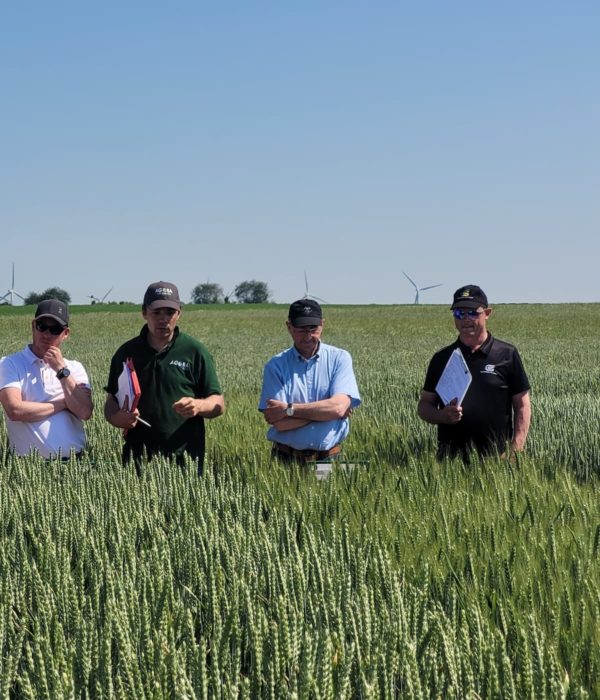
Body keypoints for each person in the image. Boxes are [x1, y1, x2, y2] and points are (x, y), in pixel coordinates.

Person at [104, 281, 224, 471]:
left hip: (186, 459)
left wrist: (198, 405)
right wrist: (117, 418)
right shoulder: (126, 352)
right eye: (156, 312)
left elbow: (218, 403)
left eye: (169, 312)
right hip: (138, 460)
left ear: (179, 314)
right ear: (144, 313)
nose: (163, 319)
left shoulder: (194, 351)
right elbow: (111, 401)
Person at [417, 284, 531, 460]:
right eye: (459, 314)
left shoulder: (507, 354)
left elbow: (522, 404)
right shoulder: (442, 358)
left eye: (472, 313)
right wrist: (442, 415)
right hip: (450, 462)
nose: (465, 319)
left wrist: (516, 448)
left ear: (487, 313)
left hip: (498, 460)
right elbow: (424, 405)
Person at [259, 299, 361, 463]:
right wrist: (327, 413)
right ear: (289, 327)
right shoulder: (275, 366)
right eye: (301, 330)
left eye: (313, 329)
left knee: (330, 489)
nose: (308, 336)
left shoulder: (340, 358)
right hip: (286, 460)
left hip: (329, 457)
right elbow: (279, 423)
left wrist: (288, 409)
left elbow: (339, 408)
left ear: (322, 324)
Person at [0, 299, 93, 459]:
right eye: (42, 326)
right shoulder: (10, 364)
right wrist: (65, 403)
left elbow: (84, 411)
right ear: (33, 326)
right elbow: (15, 411)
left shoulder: (75, 368)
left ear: (65, 334)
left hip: (75, 464)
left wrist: (62, 371)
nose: (46, 335)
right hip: (29, 467)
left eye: (55, 329)